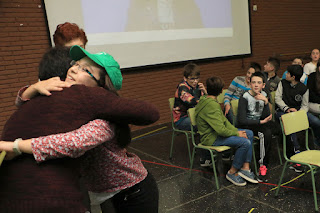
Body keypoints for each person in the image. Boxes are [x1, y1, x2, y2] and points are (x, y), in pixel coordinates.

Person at [0, 45, 160, 212]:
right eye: (76, 64)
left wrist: (16, 146)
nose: (74, 70)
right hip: (104, 194)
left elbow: (73, 143)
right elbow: (26, 106)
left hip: (132, 192)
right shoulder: (75, 102)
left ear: (101, 87)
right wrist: (33, 88)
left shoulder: (104, 119)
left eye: (85, 70)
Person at [195, 76, 258, 186]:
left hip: (215, 134)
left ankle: (245, 168)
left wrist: (236, 130)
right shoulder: (211, 105)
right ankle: (232, 172)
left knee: (249, 133)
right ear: (220, 92)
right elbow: (220, 130)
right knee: (245, 142)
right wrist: (236, 133)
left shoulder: (209, 100)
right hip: (211, 138)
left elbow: (224, 121)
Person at [275, 64, 320, 172]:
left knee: (316, 122)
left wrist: (298, 115)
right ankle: (296, 152)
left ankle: (317, 143)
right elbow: (277, 98)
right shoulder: (282, 83)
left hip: (298, 112)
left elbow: (305, 106)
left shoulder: (303, 88)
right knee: (291, 126)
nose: (286, 74)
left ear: (293, 76)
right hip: (283, 111)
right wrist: (286, 108)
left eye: (288, 73)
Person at [237, 72, 280, 181]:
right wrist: (260, 122)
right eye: (254, 82)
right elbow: (241, 120)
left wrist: (265, 102)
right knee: (266, 134)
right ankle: (262, 165)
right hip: (248, 124)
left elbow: (266, 116)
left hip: (260, 122)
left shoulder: (264, 95)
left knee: (280, 127)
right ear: (250, 84)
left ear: (263, 85)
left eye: (259, 83)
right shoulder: (244, 97)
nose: (256, 85)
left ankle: (290, 156)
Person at [172, 62, 207, 131]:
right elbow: (191, 101)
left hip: (195, 114)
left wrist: (205, 92)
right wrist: (205, 100)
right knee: (205, 123)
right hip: (182, 119)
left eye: (197, 78)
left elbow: (205, 99)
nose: (195, 81)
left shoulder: (198, 86)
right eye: (192, 79)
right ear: (185, 78)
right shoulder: (182, 88)